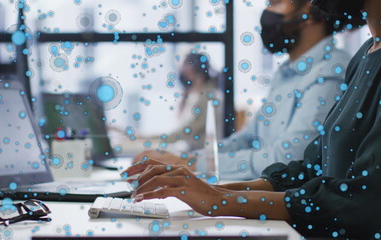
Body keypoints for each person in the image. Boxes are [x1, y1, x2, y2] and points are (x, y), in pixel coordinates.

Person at [122, 0, 381, 238]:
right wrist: (203, 188)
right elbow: (311, 168)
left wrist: (218, 200)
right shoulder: (364, 55)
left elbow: (365, 200)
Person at [132, 0, 353, 180]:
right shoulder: (286, 73)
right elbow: (249, 138)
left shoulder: (331, 72)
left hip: (293, 215)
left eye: (276, 3)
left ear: (310, 12)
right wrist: (185, 159)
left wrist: (190, 163)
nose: (267, 12)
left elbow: (289, 159)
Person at [142, 52, 222, 151]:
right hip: (196, 152)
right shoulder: (196, 95)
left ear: (193, 72)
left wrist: (149, 138)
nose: (182, 74)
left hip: (202, 155)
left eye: (185, 70)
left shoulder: (208, 97)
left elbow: (187, 131)